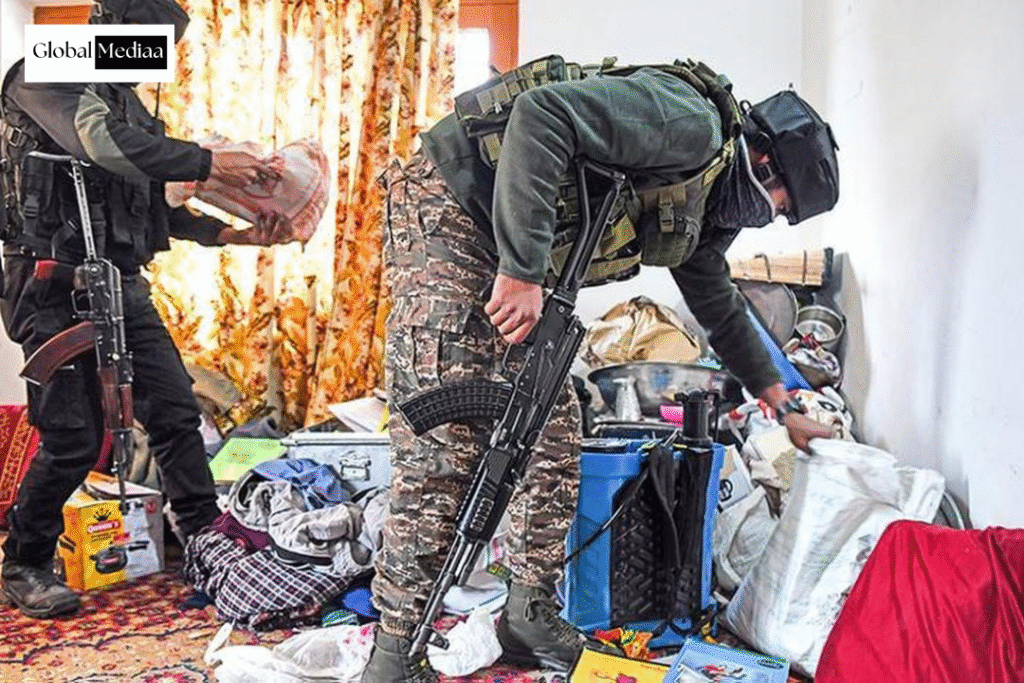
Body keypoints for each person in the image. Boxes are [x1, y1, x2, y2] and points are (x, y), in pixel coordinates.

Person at [368, 57, 840, 681]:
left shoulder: (705, 200)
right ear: (766, 164)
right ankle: (394, 654)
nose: (772, 217)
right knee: (445, 444)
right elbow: (540, 116)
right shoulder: (689, 123)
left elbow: (716, 300)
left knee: (553, 426)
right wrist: (522, 270)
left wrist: (780, 400)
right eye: (782, 205)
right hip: (453, 203)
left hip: (506, 234)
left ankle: (527, 614)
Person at [0, 0, 291, 619]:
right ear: (112, 26)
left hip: (122, 282)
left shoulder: (129, 105)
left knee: (177, 414)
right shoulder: (47, 70)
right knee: (74, 437)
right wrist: (209, 161)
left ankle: (206, 540)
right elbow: (100, 144)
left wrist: (231, 234)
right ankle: (24, 561)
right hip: (50, 284)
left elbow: (151, 204)